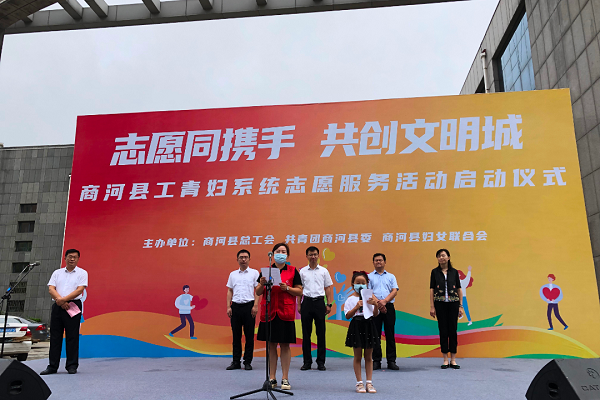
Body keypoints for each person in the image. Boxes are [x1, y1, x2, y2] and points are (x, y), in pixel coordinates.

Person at [256, 242, 302, 391]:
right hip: (269, 312)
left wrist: (287, 288)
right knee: (271, 344)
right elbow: (258, 292)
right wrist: (261, 284)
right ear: (273, 254)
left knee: (285, 345)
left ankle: (285, 378)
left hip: (285, 312)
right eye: (278, 251)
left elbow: (300, 291)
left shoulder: (293, 271)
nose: (280, 254)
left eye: (283, 251)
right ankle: (272, 377)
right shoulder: (266, 271)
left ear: (287, 255)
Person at [40, 249, 88, 375]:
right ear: (65, 258)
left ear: (78, 259)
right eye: (70, 256)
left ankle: (71, 366)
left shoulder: (82, 273)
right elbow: (51, 288)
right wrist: (60, 301)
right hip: (57, 305)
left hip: (73, 305)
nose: (72, 259)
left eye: (75, 257)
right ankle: (52, 366)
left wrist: (63, 300)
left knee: (72, 336)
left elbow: (79, 290)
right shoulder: (57, 273)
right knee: (55, 336)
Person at [298, 246, 333, 371]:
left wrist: (329, 304)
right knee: (306, 333)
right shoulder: (302, 272)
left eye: (315, 254)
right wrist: (299, 304)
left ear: (318, 256)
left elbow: (327, 288)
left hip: (319, 303)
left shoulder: (323, 271)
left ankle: (321, 362)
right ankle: (307, 362)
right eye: (310, 255)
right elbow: (300, 289)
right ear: (307, 256)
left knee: (321, 333)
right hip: (306, 302)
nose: (313, 257)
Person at [344, 271, 380, 393]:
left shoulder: (370, 297)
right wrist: (356, 307)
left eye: (363, 283)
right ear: (352, 284)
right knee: (357, 356)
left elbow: (375, 314)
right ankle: (359, 383)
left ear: (367, 284)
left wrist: (375, 305)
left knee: (369, 356)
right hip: (357, 326)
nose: (360, 285)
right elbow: (347, 315)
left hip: (369, 325)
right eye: (358, 283)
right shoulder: (350, 299)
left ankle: (369, 383)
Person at [226, 249, 260, 370]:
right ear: (237, 259)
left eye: (246, 257)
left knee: (249, 336)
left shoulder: (254, 273)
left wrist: (255, 305)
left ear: (249, 259)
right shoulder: (233, 274)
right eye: (241, 257)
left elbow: (258, 290)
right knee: (236, 336)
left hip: (249, 306)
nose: (243, 259)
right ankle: (236, 362)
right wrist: (228, 306)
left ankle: (247, 362)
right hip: (235, 306)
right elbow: (230, 290)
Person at [429, 248, 464, 369]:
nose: (441, 258)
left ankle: (453, 360)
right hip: (440, 304)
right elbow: (432, 289)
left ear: (448, 257)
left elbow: (459, 289)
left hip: (453, 304)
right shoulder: (434, 272)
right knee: (443, 330)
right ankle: (445, 359)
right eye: (439, 256)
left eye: (443, 255)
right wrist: (432, 306)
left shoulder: (454, 272)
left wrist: (461, 306)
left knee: (453, 330)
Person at [368, 253, 399, 370]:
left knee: (390, 334)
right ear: (373, 262)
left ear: (385, 262)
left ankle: (391, 361)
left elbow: (394, 291)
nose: (378, 262)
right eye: (376, 260)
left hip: (389, 307)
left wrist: (384, 302)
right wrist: (379, 304)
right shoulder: (369, 277)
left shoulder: (391, 276)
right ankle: (376, 361)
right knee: (375, 334)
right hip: (374, 308)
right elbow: (368, 292)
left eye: (380, 260)